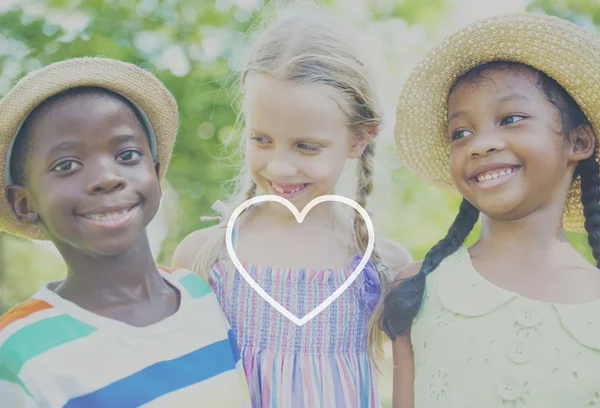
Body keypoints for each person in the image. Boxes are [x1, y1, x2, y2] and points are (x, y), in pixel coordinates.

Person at [172, 4, 412, 407]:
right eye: (262, 139)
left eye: (306, 146)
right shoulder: (206, 259)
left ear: (359, 139)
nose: (280, 166)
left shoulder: (383, 266)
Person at [0, 58, 250, 407]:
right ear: (25, 203)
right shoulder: (17, 350)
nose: (107, 177)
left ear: (156, 173)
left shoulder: (203, 294)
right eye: (66, 165)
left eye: (128, 154)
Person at [380, 13, 600, 408]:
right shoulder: (417, 287)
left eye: (511, 119)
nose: (480, 144)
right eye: (461, 133)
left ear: (579, 141)